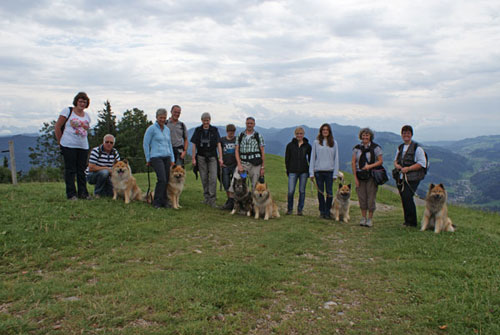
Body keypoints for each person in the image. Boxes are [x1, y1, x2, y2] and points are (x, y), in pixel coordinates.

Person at [55, 92, 91, 200]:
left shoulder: (87, 116)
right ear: (76, 101)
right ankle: (71, 194)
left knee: (82, 170)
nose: (82, 104)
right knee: (70, 170)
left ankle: (83, 193)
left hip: (83, 145)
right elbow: (57, 126)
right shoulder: (67, 111)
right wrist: (60, 142)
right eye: (80, 101)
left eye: (84, 102)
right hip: (68, 144)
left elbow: (87, 128)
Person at [393, 125, 427, 227]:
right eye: (404, 133)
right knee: (404, 197)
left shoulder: (417, 148)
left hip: (412, 177)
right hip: (400, 177)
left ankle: (412, 222)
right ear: (401, 135)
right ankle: (407, 220)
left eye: (408, 133)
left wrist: (408, 168)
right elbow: (395, 160)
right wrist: (397, 166)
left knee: (408, 197)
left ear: (411, 135)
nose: (406, 135)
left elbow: (422, 163)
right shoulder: (400, 147)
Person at [143, 108, 175, 209]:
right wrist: (148, 158)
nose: (162, 119)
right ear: (157, 117)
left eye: (164, 118)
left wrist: (172, 158)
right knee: (161, 179)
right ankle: (157, 202)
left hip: (167, 156)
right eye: (161, 117)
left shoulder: (166, 129)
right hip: (156, 157)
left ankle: (164, 201)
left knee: (166, 180)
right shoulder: (151, 129)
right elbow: (146, 144)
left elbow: (169, 144)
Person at [352, 128, 383, 227]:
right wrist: (355, 177)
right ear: (361, 136)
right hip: (360, 175)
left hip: (371, 176)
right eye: (363, 135)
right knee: (362, 197)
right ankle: (363, 217)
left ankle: (370, 219)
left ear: (370, 137)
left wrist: (369, 166)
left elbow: (380, 161)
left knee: (371, 198)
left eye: (367, 135)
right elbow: (353, 162)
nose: (365, 137)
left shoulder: (376, 148)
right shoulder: (356, 148)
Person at [191, 112, 223, 208]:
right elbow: (194, 144)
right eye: (204, 120)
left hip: (212, 157)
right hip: (201, 157)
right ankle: (206, 198)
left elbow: (218, 144)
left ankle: (212, 200)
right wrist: (193, 158)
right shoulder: (198, 130)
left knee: (213, 178)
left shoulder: (214, 130)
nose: (206, 122)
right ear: (202, 120)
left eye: (207, 120)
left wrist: (220, 158)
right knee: (204, 178)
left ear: (210, 120)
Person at [309, 123, 339, 219]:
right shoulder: (316, 142)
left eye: (327, 130)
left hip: (330, 171)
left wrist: (335, 174)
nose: (325, 131)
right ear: (321, 131)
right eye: (323, 130)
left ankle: (328, 211)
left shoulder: (334, 143)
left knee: (329, 193)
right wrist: (311, 172)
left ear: (329, 131)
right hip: (318, 171)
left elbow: (336, 158)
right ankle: (322, 211)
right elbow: (312, 158)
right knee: (320, 192)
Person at [233, 117, 265, 189]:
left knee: (255, 185)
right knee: (236, 180)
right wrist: (239, 165)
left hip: (255, 164)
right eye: (248, 123)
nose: (249, 125)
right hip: (243, 163)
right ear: (245, 124)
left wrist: (262, 167)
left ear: (254, 124)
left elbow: (262, 151)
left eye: (251, 123)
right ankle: (235, 199)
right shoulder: (240, 135)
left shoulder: (258, 136)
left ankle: (254, 200)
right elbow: (236, 150)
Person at [285, 126, 312, 216]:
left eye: (301, 133)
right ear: (295, 134)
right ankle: (290, 209)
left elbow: (310, 159)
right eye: (297, 133)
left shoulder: (308, 146)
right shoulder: (290, 145)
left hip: (304, 171)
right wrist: (288, 170)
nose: (299, 135)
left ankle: (300, 210)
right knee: (291, 191)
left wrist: (311, 171)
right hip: (292, 171)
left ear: (303, 134)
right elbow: (287, 159)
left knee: (302, 191)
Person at [220, 124, 237, 210]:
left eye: (233, 132)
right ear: (227, 131)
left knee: (234, 183)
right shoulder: (222, 140)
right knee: (226, 183)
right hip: (225, 165)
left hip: (234, 164)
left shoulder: (236, 139)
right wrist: (220, 159)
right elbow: (219, 148)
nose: (232, 134)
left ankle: (233, 200)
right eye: (230, 132)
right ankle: (230, 200)